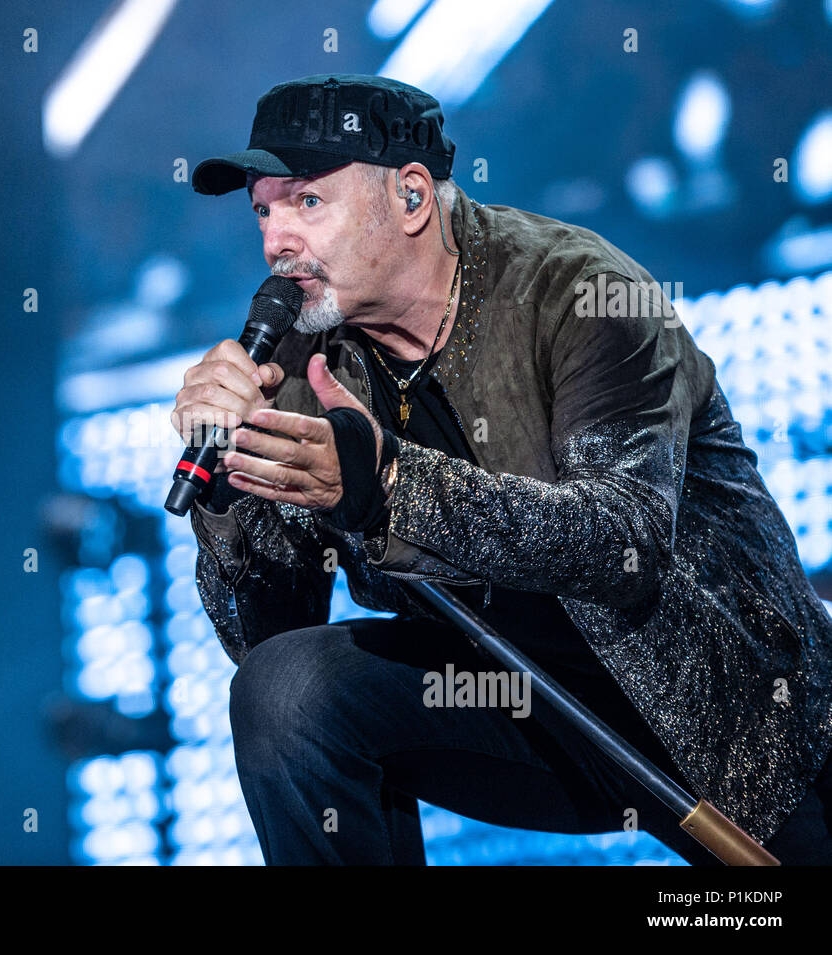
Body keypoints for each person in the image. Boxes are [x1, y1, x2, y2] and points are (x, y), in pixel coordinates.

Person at [172, 73, 832, 865]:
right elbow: (271, 638)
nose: (277, 238)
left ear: (412, 197)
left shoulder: (584, 292)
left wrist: (384, 486)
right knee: (286, 689)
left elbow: (620, 544)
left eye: (307, 202)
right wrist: (230, 483)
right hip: (516, 699)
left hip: (720, 710)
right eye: (263, 210)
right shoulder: (303, 357)